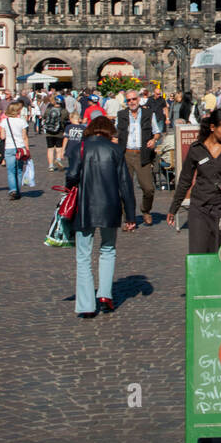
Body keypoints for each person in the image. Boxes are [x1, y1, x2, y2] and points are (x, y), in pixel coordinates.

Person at [66, 115, 137, 317]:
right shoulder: (115, 150)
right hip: (110, 206)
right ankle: (105, 294)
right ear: (108, 131)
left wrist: (72, 185)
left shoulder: (80, 147)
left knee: (83, 256)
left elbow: (71, 176)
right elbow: (125, 184)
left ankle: (87, 305)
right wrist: (130, 215)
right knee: (108, 250)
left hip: (84, 206)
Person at [166, 109, 221, 251]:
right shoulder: (196, 149)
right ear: (212, 127)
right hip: (200, 208)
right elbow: (185, 180)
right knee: (199, 252)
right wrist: (173, 208)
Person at [116, 88, 162, 226]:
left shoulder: (148, 113)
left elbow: (157, 132)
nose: (131, 102)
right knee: (124, 189)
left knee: (148, 189)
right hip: (126, 154)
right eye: (128, 100)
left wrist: (154, 140)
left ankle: (146, 210)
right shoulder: (121, 115)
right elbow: (115, 133)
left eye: (133, 99)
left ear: (139, 99)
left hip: (143, 154)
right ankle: (129, 218)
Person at [0, 99, 30, 200]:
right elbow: (25, 137)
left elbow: (2, 136)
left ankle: (13, 189)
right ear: (17, 111)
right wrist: (27, 149)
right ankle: (18, 190)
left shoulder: (4, 121)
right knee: (19, 170)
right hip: (20, 147)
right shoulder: (22, 121)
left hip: (9, 147)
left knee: (11, 171)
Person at [43, 94, 68, 172]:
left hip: (49, 132)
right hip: (59, 132)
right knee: (58, 148)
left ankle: (50, 165)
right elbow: (66, 119)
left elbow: (44, 117)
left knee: (50, 149)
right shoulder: (64, 111)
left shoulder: (48, 110)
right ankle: (58, 160)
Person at [60, 111, 85, 185]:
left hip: (70, 150)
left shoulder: (68, 127)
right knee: (80, 167)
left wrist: (62, 150)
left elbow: (65, 139)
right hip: (80, 151)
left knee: (71, 167)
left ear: (71, 118)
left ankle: (70, 184)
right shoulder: (83, 128)